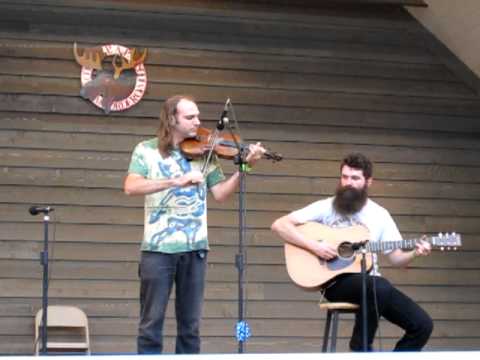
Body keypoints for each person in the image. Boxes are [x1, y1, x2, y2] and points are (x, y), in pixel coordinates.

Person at [124, 95, 265, 354]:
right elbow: (131, 186)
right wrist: (174, 181)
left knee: (190, 326)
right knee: (150, 324)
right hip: (157, 250)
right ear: (171, 119)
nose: (198, 122)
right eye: (190, 117)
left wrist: (245, 167)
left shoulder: (206, 152)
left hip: (196, 249)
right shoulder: (146, 149)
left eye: (198, 116)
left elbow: (221, 194)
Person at [271, 153, 433, 351]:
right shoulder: (327, 206)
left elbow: (397, 258)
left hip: (373, 285)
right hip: (336, 282)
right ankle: (360, 348)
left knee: (422, 325)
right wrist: (316, 247)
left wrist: (415, 253)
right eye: (345, 177)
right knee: (380, 287)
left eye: (355, 178)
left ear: (368, 182)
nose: (348, 182)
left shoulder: (380, 215)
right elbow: (280, 225)